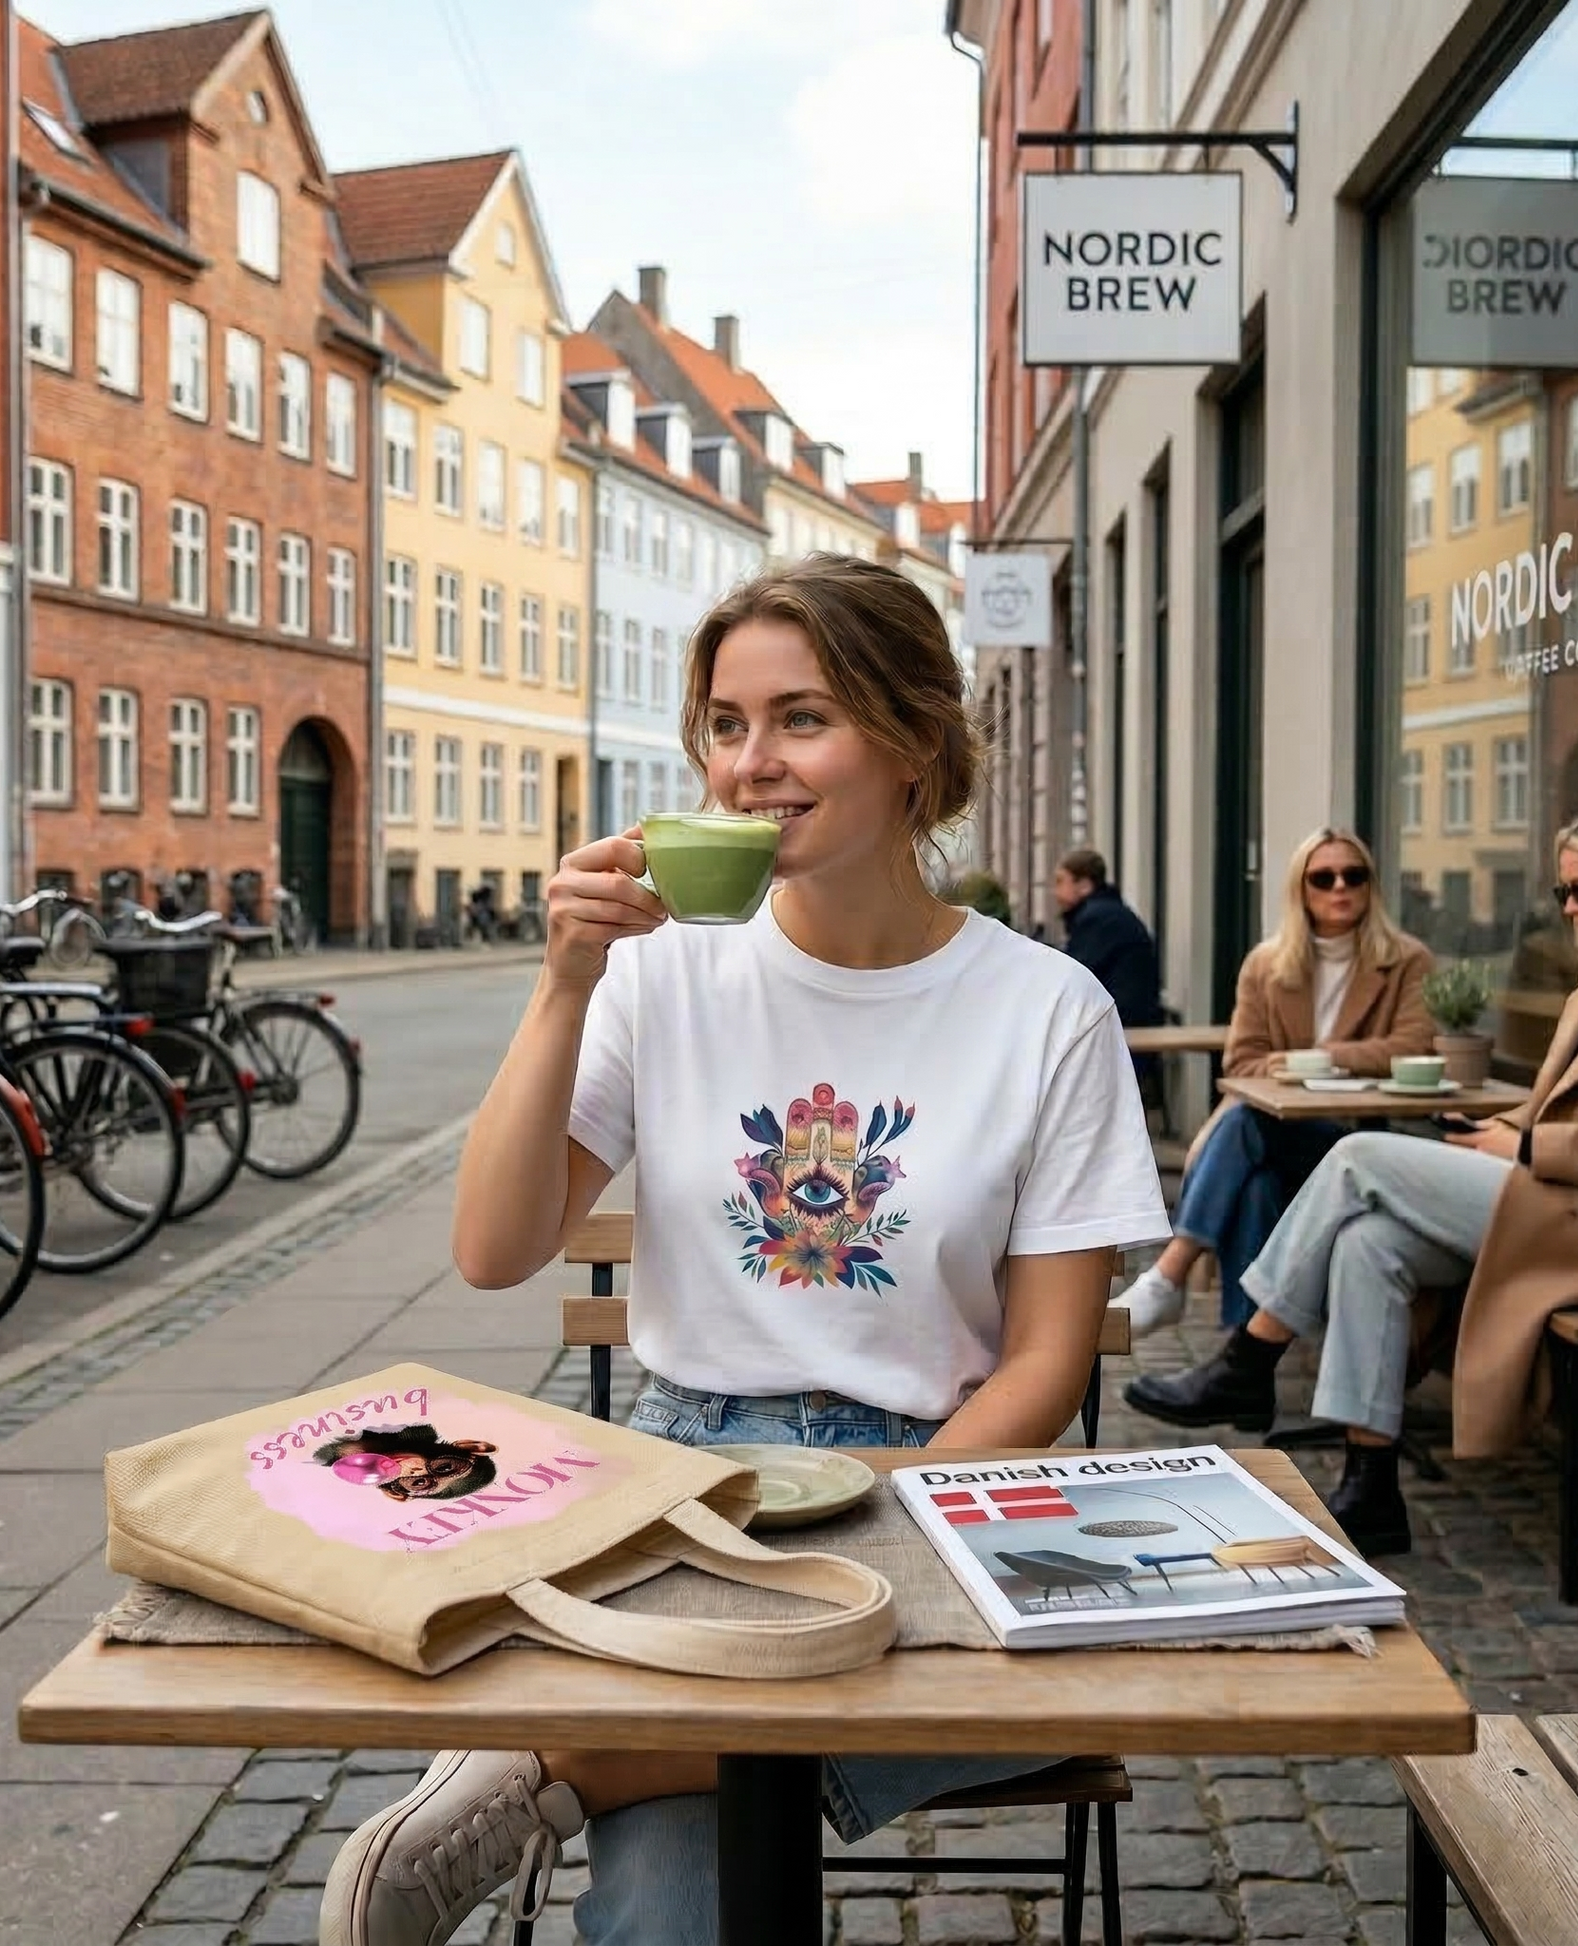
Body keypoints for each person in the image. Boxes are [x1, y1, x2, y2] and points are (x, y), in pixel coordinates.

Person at [321, 555, 1169, 1946]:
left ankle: (550, 1769)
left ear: (913, 742)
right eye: (724, 724)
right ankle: (614, 1748)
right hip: (689, 1484)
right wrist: (560, 985)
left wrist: (884, 1523)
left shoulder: (1044, 1008)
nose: (748, 765)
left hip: (941, 1472)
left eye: (800, 718)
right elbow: (490, 1251)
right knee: (670, 1910)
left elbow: (1046, 1362)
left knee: (1065, 1670)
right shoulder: (659, 971)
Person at [1122, 801, 1578, 1558]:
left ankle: (1250, 1358)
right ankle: (1371, 1485)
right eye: (1563, 894)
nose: (1570, 909)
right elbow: (1560, 1105)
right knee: (1367, 1242)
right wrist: (1509, 1132)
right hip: (1557, 1196)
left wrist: (1524, 1148)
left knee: (1357, 1160)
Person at [1112, 828, 1434, 1337]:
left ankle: (1170, 1274)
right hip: (1277, 1137)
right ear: (1300, 889)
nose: (1339, 888)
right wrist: (1318, 1066)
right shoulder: (1267, 964)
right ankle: (1247, 1362)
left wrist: (1316, 1059)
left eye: (1354, 876)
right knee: (1255, 1181)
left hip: (1355, 1144)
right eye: (1322, 878)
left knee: (1243, 1123)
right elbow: (1242, 1063)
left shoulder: (1406, 960)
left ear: (1371, 885)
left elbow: (1412, 1047)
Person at [1053, 848, 1163, 1035]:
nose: (1055, 892)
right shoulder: (1108, 912)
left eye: (1061, 882)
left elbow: (1075, 974)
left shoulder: (1097, 919)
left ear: (1085, 885)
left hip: (1123, 1030)